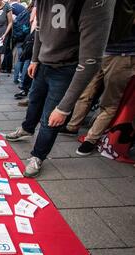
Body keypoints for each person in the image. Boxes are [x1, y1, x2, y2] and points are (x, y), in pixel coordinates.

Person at [5, 0, 116, 177]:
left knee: (52, 118)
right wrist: (35, 59)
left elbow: (91, 61)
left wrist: (65, 108)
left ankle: (38, 155)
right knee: (34, 100)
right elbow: (40, 27)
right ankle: (27, 128)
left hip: (66, 67)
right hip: (43, 63)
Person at [62, 2, 135, 156]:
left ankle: (91, 138)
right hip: (100, 51)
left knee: (109, 102)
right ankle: (72, 125)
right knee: (85, 93)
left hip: (123, 54)